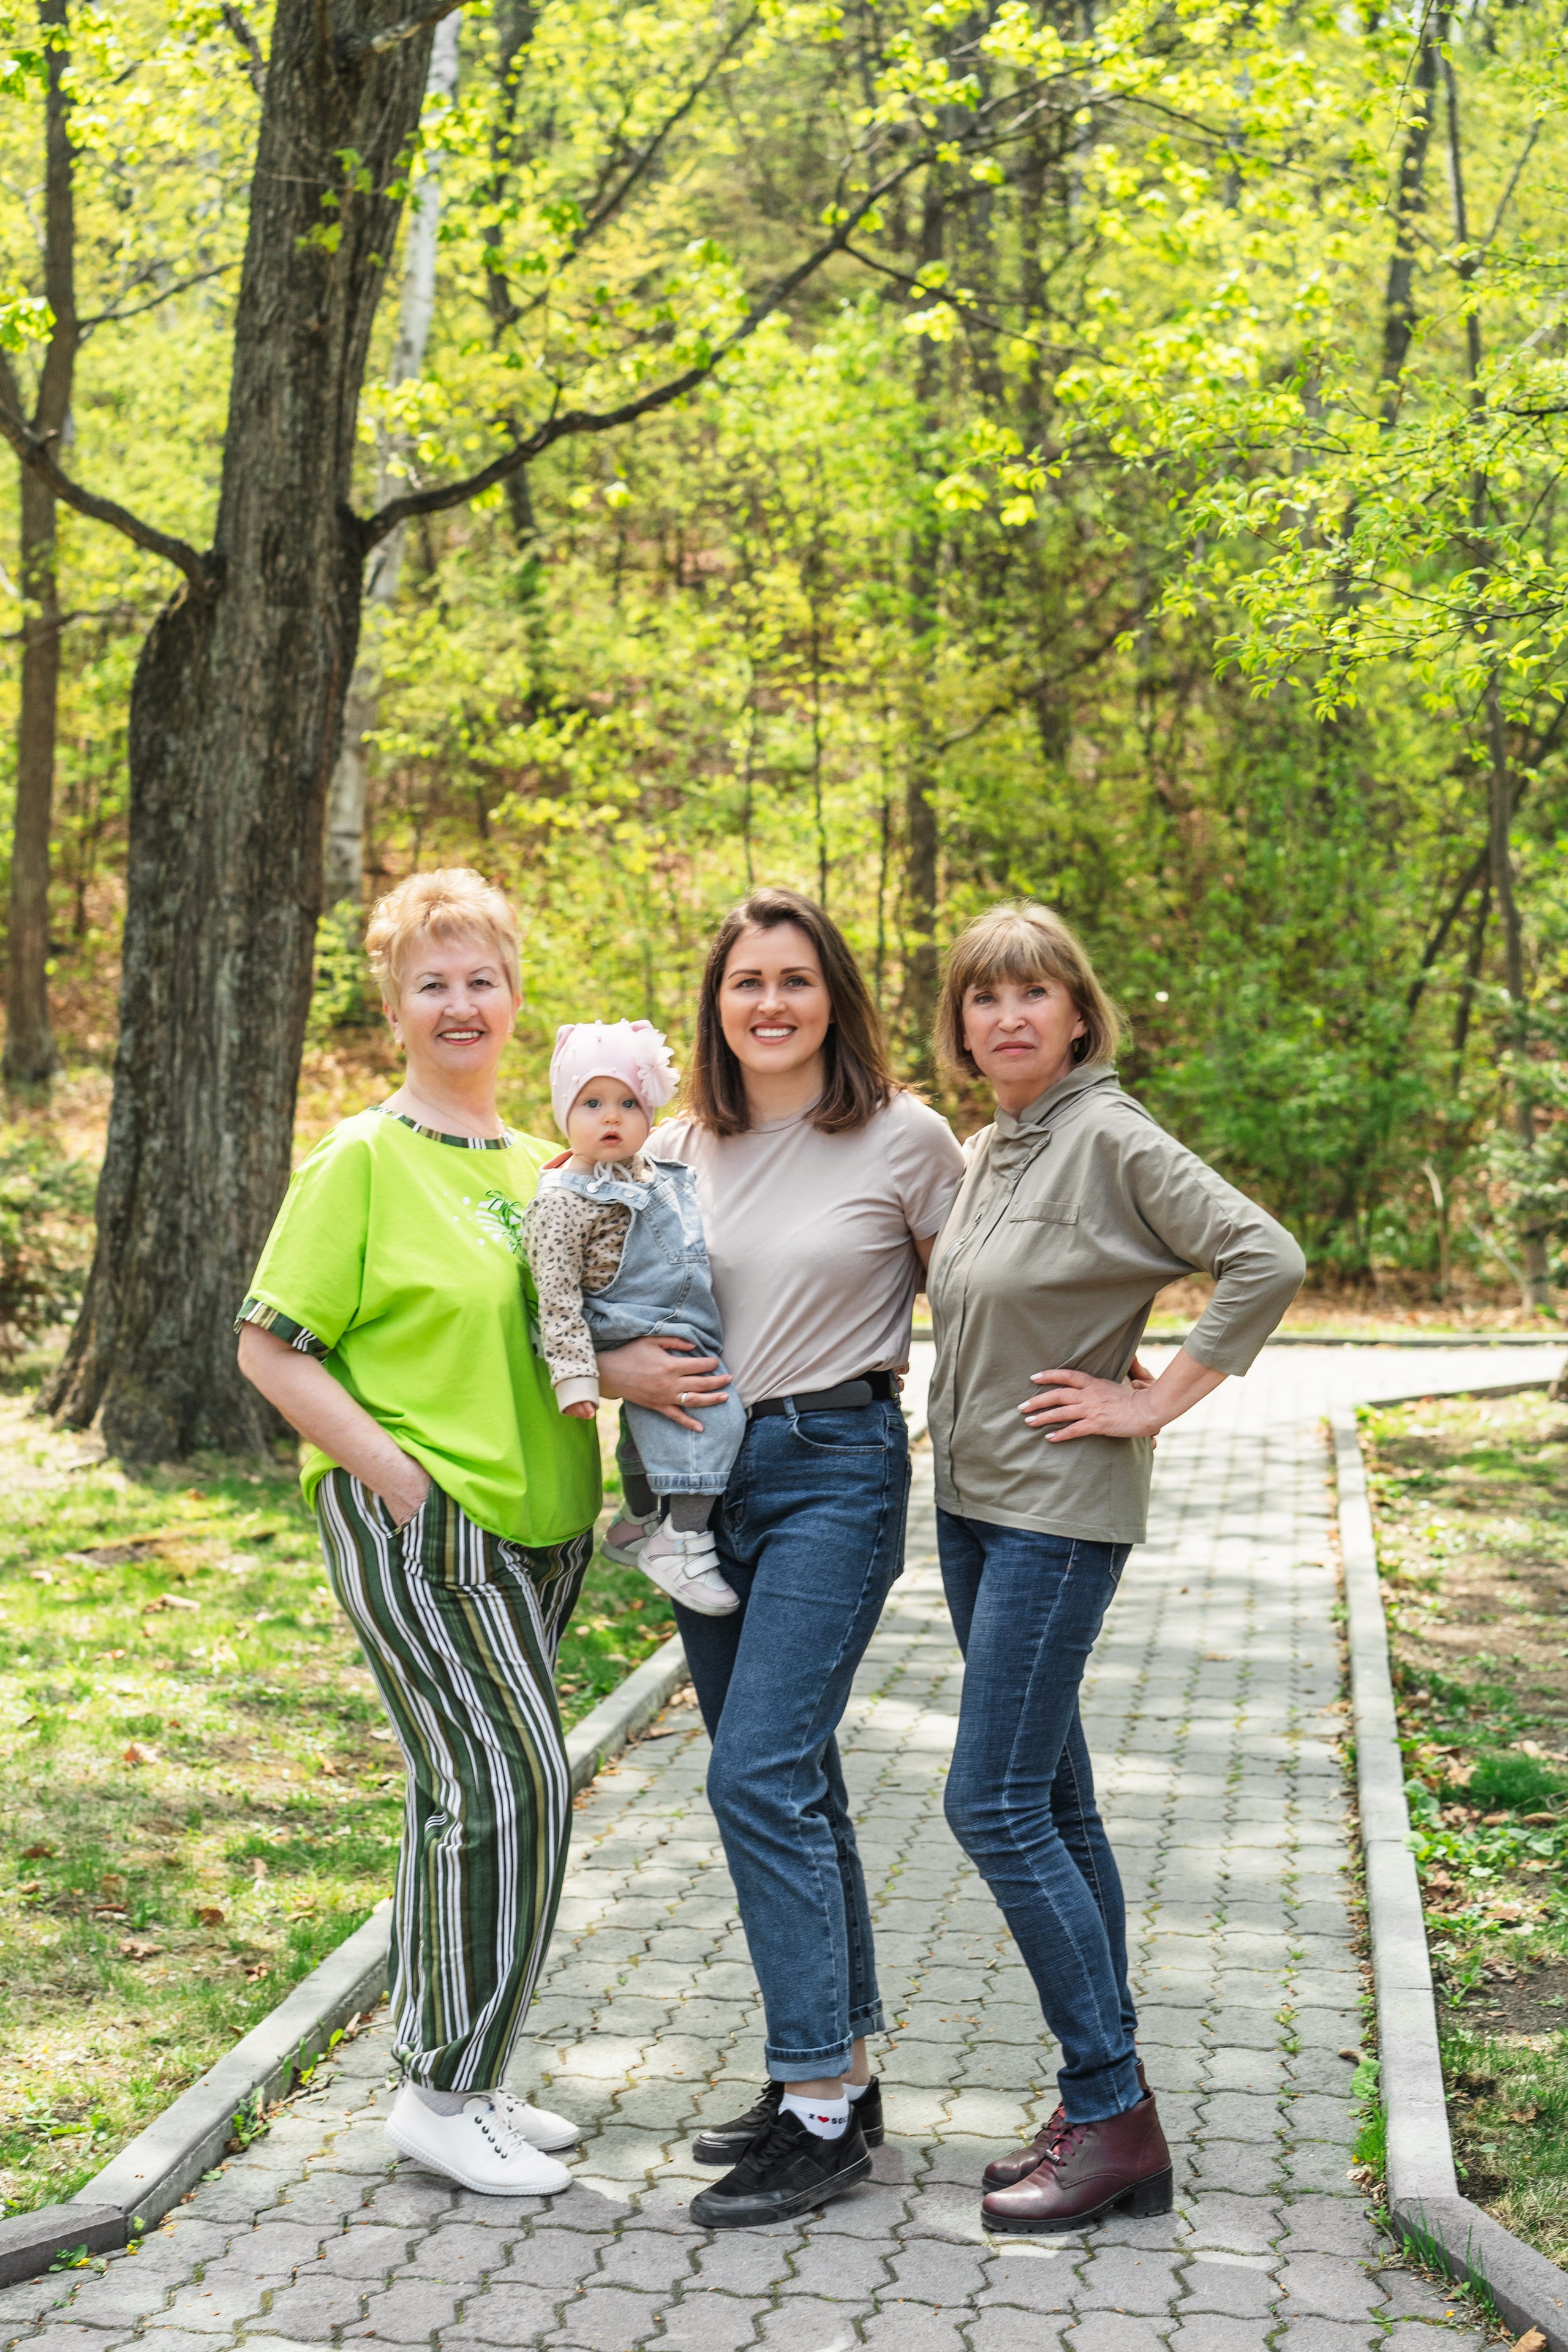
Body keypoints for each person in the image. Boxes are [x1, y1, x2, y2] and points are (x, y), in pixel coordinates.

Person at [925, 900, 1305, 2233]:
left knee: (992, 1807)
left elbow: (1265, 1256)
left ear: (1077, 1014)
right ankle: (1104, 2109)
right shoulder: (992, 1148)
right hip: (972, 1510)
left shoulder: (1106, 1135)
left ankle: (1112, 2110)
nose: (1007, 1016)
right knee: (1057, 1806)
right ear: (962, 1025)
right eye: (983, 997)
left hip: (1054, 1516)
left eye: (1032, 993)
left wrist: (1152, 1402)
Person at [595, 886, 965, 2229]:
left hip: (831, 1471)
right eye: (745, 981)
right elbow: (608, 1293)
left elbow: (987, 1289)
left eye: (794, 980)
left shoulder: (906, 1136)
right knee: (792, 1776)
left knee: (754, 1774)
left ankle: (816, 2110)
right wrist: (608, 1364)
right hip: (700, 1487)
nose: (768, 1003)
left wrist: (1101, 1376)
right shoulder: (678, 1142)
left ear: (834, 997)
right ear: (716, 1004)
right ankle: (839, 2079)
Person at [235, 869, 601, 2201]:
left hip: (539, 1530)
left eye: (481, 978)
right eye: (431, 981)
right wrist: (397, 1480)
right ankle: (440, 2094)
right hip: (426, 1523)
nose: (460, 1003)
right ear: (394, 1004)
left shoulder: (536, 1167)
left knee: (457, 1794)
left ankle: (471, 2076)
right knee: (518, 1785)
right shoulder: (363, 1157)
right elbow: (270, 1348)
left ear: (515, 998)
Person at [523, 1017, 747, 1615]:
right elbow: (556, 1296)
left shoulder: (652, 1174)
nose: (612, 1116)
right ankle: (681, 1539)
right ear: (563, 1113)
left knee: (648, 1426)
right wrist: (578, 1376)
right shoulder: (563, 1200)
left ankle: (638, 1517)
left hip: (666, 1311)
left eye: (629, 1102)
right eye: (592, 1102)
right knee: (711, 1413)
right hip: (621, 1317)